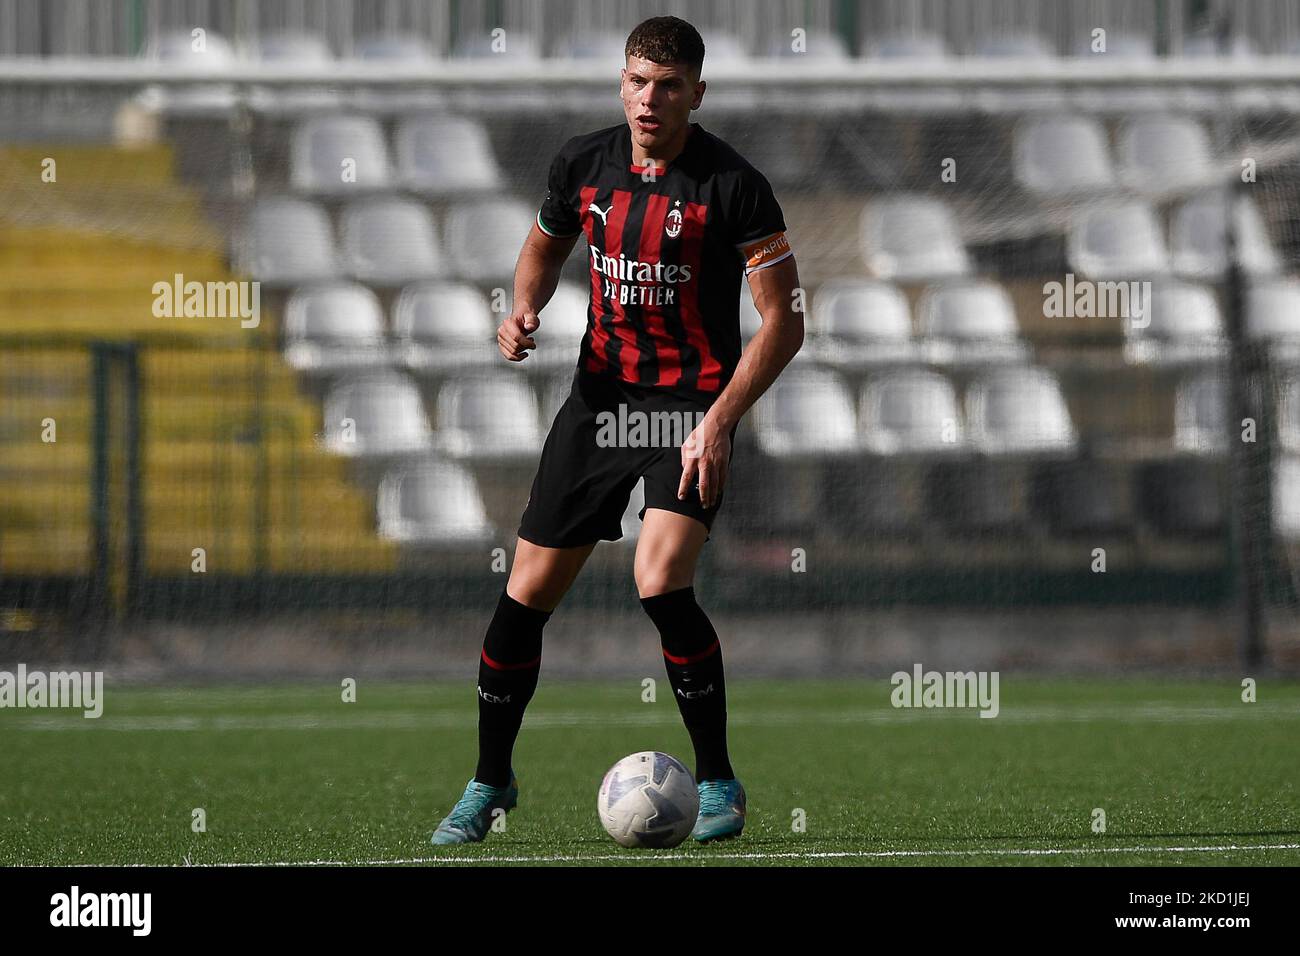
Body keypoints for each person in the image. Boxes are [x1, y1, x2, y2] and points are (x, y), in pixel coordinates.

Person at [432, 14, 803, 845]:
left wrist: (719, 422)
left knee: (660, 578)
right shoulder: (582, 162)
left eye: (668, 86)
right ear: (621, 84)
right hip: (599, 404)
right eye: (637, 80)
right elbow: (541, 248)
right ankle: (490, 781)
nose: (649, 98)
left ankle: (718, 784)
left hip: (689, 411)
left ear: (695, 95)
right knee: (524, 598)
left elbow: (783, 324)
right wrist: (523, 306)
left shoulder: (734, 186)